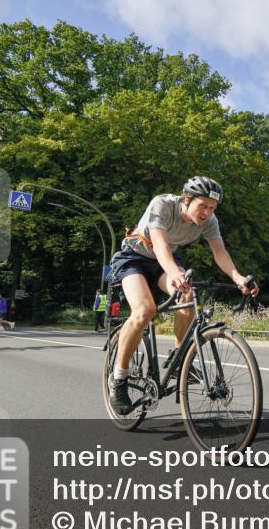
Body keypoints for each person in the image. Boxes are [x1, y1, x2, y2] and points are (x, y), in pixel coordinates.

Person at [106, 176, 258, 414]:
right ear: (187, 199)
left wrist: (238, 278)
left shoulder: (210, 221)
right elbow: (159, 243)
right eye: (203, 205)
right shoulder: (163, 204)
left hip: (164, 262)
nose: (207, 213)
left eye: (212, 208)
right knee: (145, 311)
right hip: (134, 258)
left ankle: (179, 358)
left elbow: (219, 252)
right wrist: (174, 272)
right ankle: (118, 378)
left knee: (188, 295)